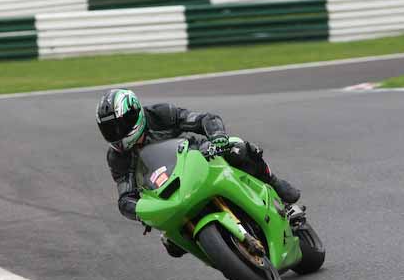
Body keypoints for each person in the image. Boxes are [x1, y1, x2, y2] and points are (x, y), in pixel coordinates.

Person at [96, 88, 300, 257]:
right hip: (165, 193)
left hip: (198, 157)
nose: (117, 133)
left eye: (120, 126)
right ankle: (224, 253)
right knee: (172, 245)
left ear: (135, 114)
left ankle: (273, 182)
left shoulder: (159, 114)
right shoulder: (117, 157)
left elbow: (204, 119)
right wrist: (141, 212)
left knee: (238, 148)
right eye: (110, 130)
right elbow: (125, 197)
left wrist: (217, 137)